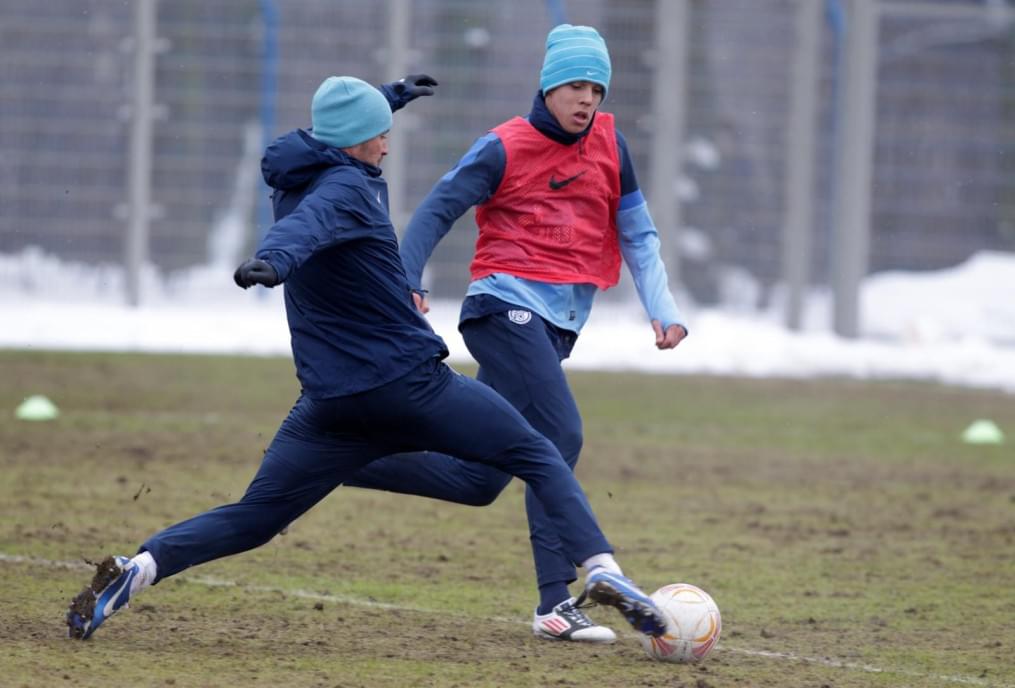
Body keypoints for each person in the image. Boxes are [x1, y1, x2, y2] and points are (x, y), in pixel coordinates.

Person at [65, 72, 667, 644]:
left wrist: (388, 97)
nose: (387, 145)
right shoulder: (347, 188)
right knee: (539, 449)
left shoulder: (293, 172)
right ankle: (601, 568)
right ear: (353, 142)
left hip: (329, 407)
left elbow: (314, 173)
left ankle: (137, 568)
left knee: (255, 517)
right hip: (411, 386)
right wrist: (273, 261)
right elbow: (308, 228)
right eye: (379, 134)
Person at [343, 24, 688, 644]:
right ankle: (556, 601)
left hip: (556, 328)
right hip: (502, 309)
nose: (587, 99)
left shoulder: (612, 147)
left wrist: (662, 310)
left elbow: (639, 234)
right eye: (576, 85)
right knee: (561, 433)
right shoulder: (505, 146)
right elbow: (438, 207)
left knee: (480, 481)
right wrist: (409, 277)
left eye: (597, 89)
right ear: (550, 86)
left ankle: (344, 457)